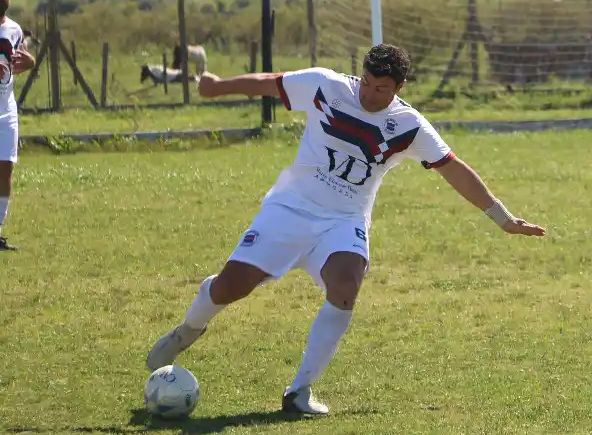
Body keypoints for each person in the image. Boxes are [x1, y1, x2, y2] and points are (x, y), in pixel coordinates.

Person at [145, 43, 546, 415]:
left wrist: (503, 217)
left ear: (401, 87)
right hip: (289, 208)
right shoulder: (327, 86)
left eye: (382, 89)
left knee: (345, 287)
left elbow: (453, 169)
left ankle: (299, 391)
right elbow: (269, 82)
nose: (370, 94)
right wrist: (218, 87)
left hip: (344, 221)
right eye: (367, 83)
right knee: (230, 287)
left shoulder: (408, 125)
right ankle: (187, 331)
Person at [0, 0, 38, 252]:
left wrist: (30, 62)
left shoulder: (14, 30)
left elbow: (20, 61)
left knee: (5, 169)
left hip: (6, 110)